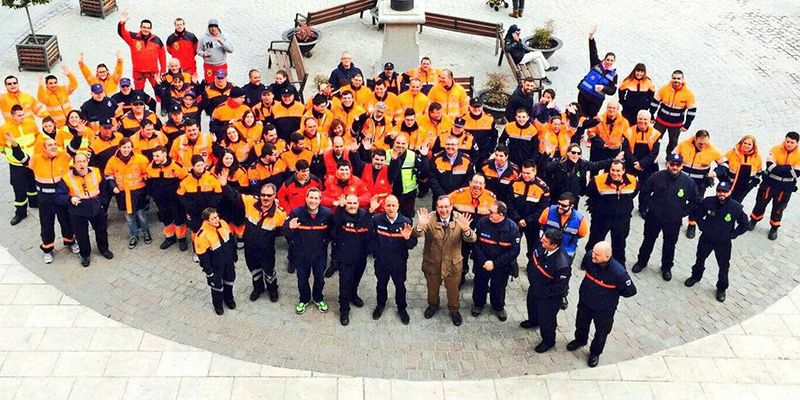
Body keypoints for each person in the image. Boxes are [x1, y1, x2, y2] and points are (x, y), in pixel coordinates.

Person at [567, 241, 636, 368]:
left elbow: (630, 291)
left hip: (604, 309)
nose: (592, 255)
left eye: (597, 255)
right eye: (593, 252)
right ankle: (580, 340)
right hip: (585, 302)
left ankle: (595, 353)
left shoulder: (619, 273)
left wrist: (610, 295)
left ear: (607, 257)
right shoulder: (589, 257)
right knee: (581, 323)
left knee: (601, 332)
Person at [11, 137, 79, 263]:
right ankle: (47, 250)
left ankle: (70, 242)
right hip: (45, 200)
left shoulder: (63, 156)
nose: (53, 147)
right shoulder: (36, 160)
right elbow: (20, 157)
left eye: (54, 144)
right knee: (47, 225)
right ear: (44, 149)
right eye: (50, 145)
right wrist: (15, 145)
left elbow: (74, 146)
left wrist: (79, 135)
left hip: (61, 198)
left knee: (67, 221)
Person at [633, 154, 699, 281]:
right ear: (668, 163)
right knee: (648, 241)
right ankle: (642, 262)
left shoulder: (688, 182)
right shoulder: (656, 176)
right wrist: (649, 207)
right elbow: (645, 192)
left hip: (673, 220)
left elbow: (695, 201)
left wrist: (682, 212)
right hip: (654, 218)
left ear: (681, 166)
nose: (674, 167)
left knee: (670, 245)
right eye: (672, 164)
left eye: (677, 165)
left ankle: (666, 268)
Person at [414, 198, 475, 326]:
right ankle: (433, 305)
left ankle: (454, 310)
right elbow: (416, 234)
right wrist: (419, 226)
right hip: (432, 262)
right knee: (432, 288)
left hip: (452, 263)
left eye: (446, 206)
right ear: (436, 208)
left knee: (453, 290)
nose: (444, 210)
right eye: (440, 207)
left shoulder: (459, 219)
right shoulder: (429, 218)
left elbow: (472, 238)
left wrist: (466, 230)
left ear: (451, 206)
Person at [685, 181, 748, 302]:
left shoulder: (736, 207)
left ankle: (721, 288)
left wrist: (733, 234)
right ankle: (695, 276)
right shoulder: (708, 202)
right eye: (719, 191)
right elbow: (697, 215)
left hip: (723, 243)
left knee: (723, 266)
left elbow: (744, 224)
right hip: (706, 239)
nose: (721, 194)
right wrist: (703, 227)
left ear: (729, 192)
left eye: (724, 191)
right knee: (700, 259)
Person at [232, 182, 286, 302]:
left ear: (274, 195)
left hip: (266, 252)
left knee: (269, 272)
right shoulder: (251, 202)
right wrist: (224, 185)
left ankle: (272, 290)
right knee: (254, 270)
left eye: (269, 195)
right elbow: (234, 196)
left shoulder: (280, 214)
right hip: (250, 249)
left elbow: (287, 231)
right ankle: (258, 289)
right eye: (263, 195)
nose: (265, 198)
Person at [284, 188, 334, 314]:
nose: (313, 201)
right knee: (302, 279)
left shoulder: (327, 214)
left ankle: (318, 298)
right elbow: (284, 231)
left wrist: (324, 242)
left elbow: (332, 232)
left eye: (316, 198)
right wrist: (289, 227)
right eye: (311, 197)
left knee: (319, 279)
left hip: (320, 255)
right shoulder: (296, 213)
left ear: (320, 200)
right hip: (301, 254)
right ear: (306, 198)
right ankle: (304, 299)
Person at [369, 195, 417, 324]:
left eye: (393, 205)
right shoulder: (377, 220)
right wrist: (375, 252)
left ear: (398, 206)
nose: (390, 208)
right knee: (381, 284)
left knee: (400, 286)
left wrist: (408, 239)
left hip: (399, 263)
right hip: (381, 262)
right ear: (384, 206)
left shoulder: (406, 222)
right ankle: (380, 305)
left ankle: (402, 308)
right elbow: (369, 235)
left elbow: (413, 244)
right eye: (388, 205)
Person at [470, 201, 521, 321]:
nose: (489, 214)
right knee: (479, 284)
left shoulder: (512, 229)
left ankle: (498, 307)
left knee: (498, 287)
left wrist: (495, 264)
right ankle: (478, 304)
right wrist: (484, 261)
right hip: (482, 263)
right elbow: (476, 244)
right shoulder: (482, 223)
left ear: (501, 215)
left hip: (501, 266)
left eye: (492, 212)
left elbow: (514, 251)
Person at [332, 194, 378, 326]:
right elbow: (336, 221)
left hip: (360, 257)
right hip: (345, 258)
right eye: (349, 203)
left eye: (354, 203)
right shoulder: (341, 215)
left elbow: (367, 227)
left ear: (358, 204)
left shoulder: (365, 214)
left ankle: (353, 295)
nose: (352, 206)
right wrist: (340, 208)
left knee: (355, 281)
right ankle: (344, 311)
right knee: (344, 285)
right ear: (345, 204)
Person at [522, 229, 570, 353]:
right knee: (531, 306)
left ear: (554, 245)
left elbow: (560, 286)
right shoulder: (542, 245)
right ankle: (533, 321)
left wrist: (543, 292)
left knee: (547, 319)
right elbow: (533, 258)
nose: (541, 242)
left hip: (549, 297)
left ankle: (548, 341)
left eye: (545, 242)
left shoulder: (562, 263)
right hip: (535, 287)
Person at [62, 153, 114, 267]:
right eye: (79, 162)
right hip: (77, 208)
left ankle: (104, 249)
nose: (81, 164)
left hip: (95, 205)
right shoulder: (66, 177)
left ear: (87, 162)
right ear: (74, 164)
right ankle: (85, 255)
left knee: (101, 230)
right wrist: (70, 199)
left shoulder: (96, 171)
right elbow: (59, 195)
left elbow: (104, 187)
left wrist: (102, 202)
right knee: (81, 234)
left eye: (84, 161)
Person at [539, 192, 589, 309]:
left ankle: (562, 294)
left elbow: (582, 234)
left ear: (571, 206)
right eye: (559, 204)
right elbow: (541, 224)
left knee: (563, 276)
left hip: (567, 252)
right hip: (548, 248)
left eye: (564, 206)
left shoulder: (579, 219)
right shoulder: (548, 211)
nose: (560, 207)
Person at [674, 130, 728, 239]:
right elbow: (672, 156)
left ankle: (692, 224)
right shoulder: (683, 145)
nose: (703, 146)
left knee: (696, 204)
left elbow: (725, 165)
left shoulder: (713, 150)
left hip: (699, 184)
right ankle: (676, 219)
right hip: (681, 181)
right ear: (695, 139)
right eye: (700, 143)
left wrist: (715, 172)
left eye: (705, 143)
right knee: (678, 200)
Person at [584, 160, 638, 267]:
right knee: (595, 240)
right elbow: (590, 193)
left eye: (618, 171)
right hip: (602, 218)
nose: (615, 173)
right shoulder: (598, 180)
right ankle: (589, 261)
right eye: (612, 170)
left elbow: (634, 193)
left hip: (622, 219)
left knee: (620, 243)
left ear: (624, 171)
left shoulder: (632, 181)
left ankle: (618, 264)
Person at [749, 131, 800, 240]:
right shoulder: (775, 150)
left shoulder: (799, 156)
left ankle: (774, 227)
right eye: (787, 141)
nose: (789, 144)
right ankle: (753, 220)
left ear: (797, 143)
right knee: (760, 202)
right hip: (769, 184)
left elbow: (797, 173)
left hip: (785, 188)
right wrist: (788, 168)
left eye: (792, 142)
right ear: (785, 140)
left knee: (779, 208)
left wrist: (779, 168)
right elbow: (770, 167)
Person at [104, 138, 151, 249]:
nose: (126, 149)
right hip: (122, 194)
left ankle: (146, 232)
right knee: (129, 217)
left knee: (141, 215)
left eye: (128, 147)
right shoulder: (112, 161)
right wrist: (113, 186)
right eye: (124, 147)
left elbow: (147, 173)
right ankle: (134, 235)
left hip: (138, 193)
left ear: (132, 147)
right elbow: (108, 175)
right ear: (119, 147)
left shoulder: (140, 159)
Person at [0, 105, 40, 225]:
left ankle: (34, 202)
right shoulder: (4, 129)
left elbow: (38, 137)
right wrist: (7, 155)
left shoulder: (31, 123)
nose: (22, 117)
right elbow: (1, 145)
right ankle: (21, 212)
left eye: (23, 114)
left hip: (31, 161)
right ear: (12, 115)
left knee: (33, 184)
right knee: (19, 188)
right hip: (17, 164)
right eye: (19, 115)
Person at [194, 207, 238, 315]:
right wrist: (209, 273)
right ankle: (218, 305)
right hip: (216, 266)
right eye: (213, 218)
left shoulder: (223, 223)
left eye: (217, 216)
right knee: (217, 286)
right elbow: (203, 257)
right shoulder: (202, 235)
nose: (217, 219)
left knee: (229, 281)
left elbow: (231, 240)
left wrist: (234, 255)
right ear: (206, 221)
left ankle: (229, 299)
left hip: (228, 262)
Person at [145, 146, 189, 250]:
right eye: (153, 156)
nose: (155, 158)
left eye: (157, 155)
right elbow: (149, 182)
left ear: (165, 154)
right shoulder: (150, 167)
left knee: (179, 219)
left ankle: (181, 238)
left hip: (175, 200)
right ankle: (170, 237)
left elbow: (185, 181)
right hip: (160, 200)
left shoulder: (176, 166)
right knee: (165, 218)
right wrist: (153, 194)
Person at [650, 70, 697, 157]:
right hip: (660, 121)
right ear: (671, 79)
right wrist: (651, 115)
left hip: (676, 124)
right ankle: (652, 157)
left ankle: (670, 160)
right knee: (654, 140)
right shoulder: (664, 89)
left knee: (673, 142)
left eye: (678, 78)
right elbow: (654, 102)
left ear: (683, 80)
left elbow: (692, 111)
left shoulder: (688, 94)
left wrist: (687, 124)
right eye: (674, 78)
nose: (676, 80)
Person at [117, 12, 166, 92]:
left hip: (153, 72)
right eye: (144, 27)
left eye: (148, 28)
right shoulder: (133, 37)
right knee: (138, 93)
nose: (146, 29)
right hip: (138, 72)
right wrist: (122, 23)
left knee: (159, 91)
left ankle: (159, 104)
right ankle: (140, 104)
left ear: (151, 29)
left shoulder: (157, 40)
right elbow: (122, 33)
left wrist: (163, 71)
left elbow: (162, 56)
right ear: (140, 27)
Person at [510, 160, 550, 257]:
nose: (525, 175)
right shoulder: (514, 183)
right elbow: (510, 203)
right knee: (511, 246)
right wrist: (518, 218)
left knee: (533, 249)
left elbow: (542, 208)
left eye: (528, 173)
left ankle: (531, 268)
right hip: (516, 221)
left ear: (535, 172)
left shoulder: (543, 188)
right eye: (523, 172)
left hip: (532, 223)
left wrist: (527, 220)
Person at [576, 26, 617, 118]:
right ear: (604, 59)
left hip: (596, 99)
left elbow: (612, 91)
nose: (609, 62)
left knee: (592, 118)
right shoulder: (596, 64)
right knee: (580, 115)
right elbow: (593, 51)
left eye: (611, 60)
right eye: (608, 59)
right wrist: (591, 37)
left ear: (614, 62)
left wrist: (603, 88)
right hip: (584, 94)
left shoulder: (614, 75)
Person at [387, 134, 426, 218]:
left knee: (407, 218)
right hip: (391, 192)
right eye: (398, 143)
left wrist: (424, 157)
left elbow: (424, 171)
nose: (400, 145)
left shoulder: (413, 155)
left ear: (407, 144)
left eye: (403, 143)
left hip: (408, 193)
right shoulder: (386, 154)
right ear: (393, 143)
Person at [429, 135, 474, 206]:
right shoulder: (436, 158)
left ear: (458, 146)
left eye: (453, 144)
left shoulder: (466, 160)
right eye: (448, 144)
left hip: (459, 197)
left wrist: (456, 194)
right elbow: (432, 178)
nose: (450, 147)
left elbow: (469, 179)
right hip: (439, 197)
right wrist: (442, 195)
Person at [623, 110, 661, 184]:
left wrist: (642, 164)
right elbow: (626, 150)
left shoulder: (655, 134)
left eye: (645, 119)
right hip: (631, 163)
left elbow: (654, 152)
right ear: (637, 119)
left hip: (647, 164)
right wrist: (635, 162)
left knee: (647, 187)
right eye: (640, 118)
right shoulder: (628, 132)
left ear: (650, 121)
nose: (642, 121)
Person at [724, 135, 763, 204]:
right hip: (729, 185)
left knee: (735, 205)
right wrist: (724, 180)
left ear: (753, 146)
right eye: (745, 143)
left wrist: (752, 184)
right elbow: (722, 166)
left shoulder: (757, 157)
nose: (746, 145)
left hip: (744, 188)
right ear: (741, 143)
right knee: (723, 203)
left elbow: (759, 172)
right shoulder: (732, 153)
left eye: (749, 144)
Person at [463, 97, 497, 167]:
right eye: (474, 107)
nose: (477, 109)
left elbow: (494, 136)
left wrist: (490, 150)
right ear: (469, 107)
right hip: (468, 151)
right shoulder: (463, 119)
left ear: (482, 107)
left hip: (483, 152)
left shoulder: (489, 119)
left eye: (479, 106)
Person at [198, 18, 234, 83]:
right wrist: (203, 54)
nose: (213, 28)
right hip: (209, 66)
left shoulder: (223, 36)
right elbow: (198, 50)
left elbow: (231, 50)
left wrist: (221, 42)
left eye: (215, 26)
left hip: (221, 65)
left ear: (218, 27)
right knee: (209, 85)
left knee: (221, 84)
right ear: (208, 27)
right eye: (211, 26)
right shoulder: (203, 37)